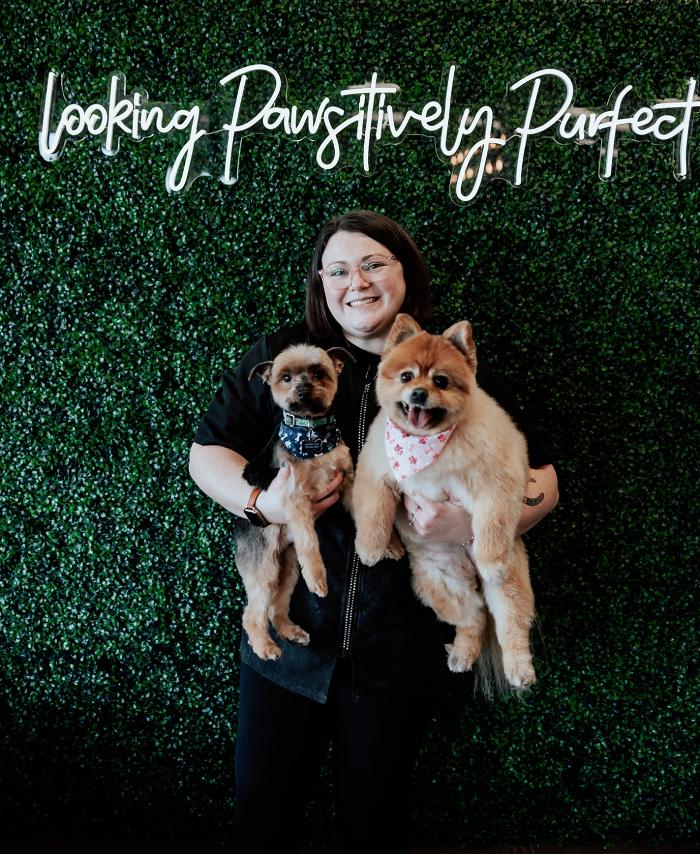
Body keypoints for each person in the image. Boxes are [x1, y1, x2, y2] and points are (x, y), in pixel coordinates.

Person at [188, 210, 559, 853]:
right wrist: (261, 502)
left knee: (375, 820)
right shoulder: (288, 352)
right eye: (336, 270)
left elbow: (543, 480)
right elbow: (206, 453)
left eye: (372, 264)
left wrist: (469, 525)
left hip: (398, 649)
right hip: (291, 640)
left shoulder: (449, 362)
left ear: (404, 275)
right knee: (263, 814)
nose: (353, 282)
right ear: (321, 284)